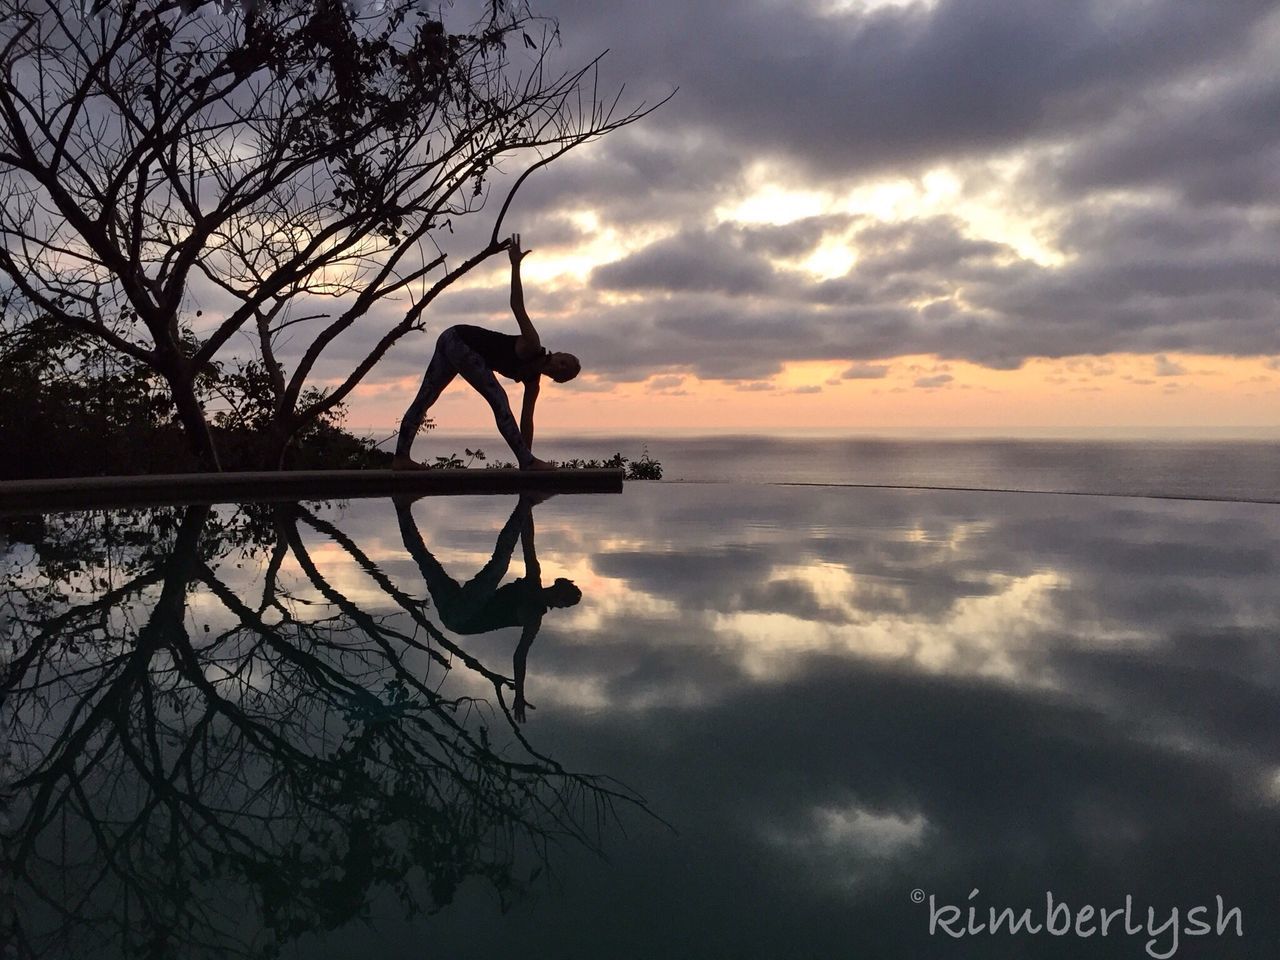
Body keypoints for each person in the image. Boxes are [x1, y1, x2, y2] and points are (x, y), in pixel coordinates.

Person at [393, 234, 580, 471]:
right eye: (566, 362)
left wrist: (528, 461)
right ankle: (401, 457)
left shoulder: (533, 383)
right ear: (560, 354)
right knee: (497, 398)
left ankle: (400, 458)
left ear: (559, 380)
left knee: (428, 397)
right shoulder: (532, 344)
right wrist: (515, 266)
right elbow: (517, 305)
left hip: (452, 342)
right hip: (459, 340)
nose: (562, 367)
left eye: (566, 372)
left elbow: (526, 421)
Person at [395, 493, 582, 722]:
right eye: (562, 596)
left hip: (461, 618)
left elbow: (519, 656)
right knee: (424, 557)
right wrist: (528, 508)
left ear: (560, 605)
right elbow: (528, 541)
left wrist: (520, 694)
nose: (558, 602)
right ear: (558, 587)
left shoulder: (534, 618)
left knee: (498, 565)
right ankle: (402, 507)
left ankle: (525, 501)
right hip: (461, 606)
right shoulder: (534, 578)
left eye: (562, 603)